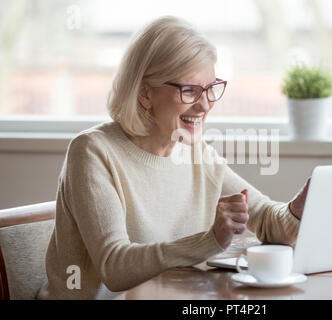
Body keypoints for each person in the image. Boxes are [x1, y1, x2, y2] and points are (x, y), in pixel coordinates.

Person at [37, 16, 310, 300]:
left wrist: (299, 209)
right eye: (190, 90)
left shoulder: (195, 152)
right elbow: (114, 267)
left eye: (210, 88)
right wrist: (209, 241)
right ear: (145, 94)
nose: (205, 105)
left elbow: (266, 219)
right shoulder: (92, 151)